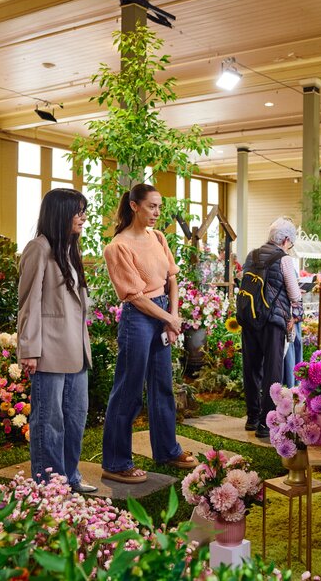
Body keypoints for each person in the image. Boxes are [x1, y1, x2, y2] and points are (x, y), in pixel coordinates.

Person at [101, 183, 198, 484]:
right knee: (128, 391)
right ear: (134, 206)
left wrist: (173, 317)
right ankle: (115, 462)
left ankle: (167, 450)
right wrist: (168, 318)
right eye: (151, 206)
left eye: (159, 206)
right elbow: (134, 296)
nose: (157, 212)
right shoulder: (117, 247)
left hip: (163, 313)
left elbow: (172, 279)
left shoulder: (158, 237)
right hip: (139, 318)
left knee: (163, 386)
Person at [17, 188, 96, 494]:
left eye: (83, 211)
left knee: (76, 417)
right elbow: (29, 303)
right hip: (48, 350)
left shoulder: (69, 249)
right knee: (49, 422)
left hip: (77, 351)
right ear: (60, 213)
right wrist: (29, 350)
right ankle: (50, 484)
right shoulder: (39, 248)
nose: (83, 218)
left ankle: (71, 477)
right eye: (78, 212)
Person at [241, 217, 301, 438]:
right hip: (272, 322)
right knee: (272, 371)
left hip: (250, 318)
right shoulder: (284, 260)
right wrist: (296, 315)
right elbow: (294, 294)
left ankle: (252, 417)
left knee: (251, 368)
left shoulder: (252, 255)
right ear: (286, 239)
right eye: (290, 243)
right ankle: (267, 423)